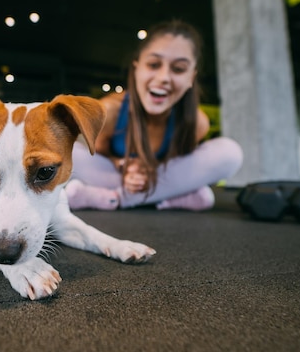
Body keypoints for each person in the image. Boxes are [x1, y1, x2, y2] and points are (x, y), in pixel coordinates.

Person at [65, 19, 243, 211]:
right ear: (136, 69)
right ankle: (166, 199)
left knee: (230, 152)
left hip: (154, 178)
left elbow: (174, 168)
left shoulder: (197, 122)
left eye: (178, 69)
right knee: (68, 150)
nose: (163, 78)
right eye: (153, 65)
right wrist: (123, 166)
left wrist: (147, 171)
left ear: (191, 78)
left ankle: (116, 198)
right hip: (116, 175)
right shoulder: (110, 111)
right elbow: (101, 155)